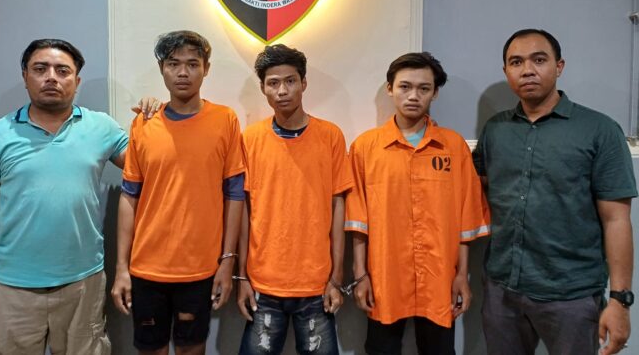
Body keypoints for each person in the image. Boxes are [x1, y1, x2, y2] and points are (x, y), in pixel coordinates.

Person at [0, 38, 128, 354]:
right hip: (13, 289)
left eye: (63, 71)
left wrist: (159, 115)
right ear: (25, 76)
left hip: (82, 285)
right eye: (40, 69)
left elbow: (150, 165)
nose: (51, 78)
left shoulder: (102, 127)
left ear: (77, 81)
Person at [473, 28, 637, 355]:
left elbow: (617, 220)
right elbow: (474, 189)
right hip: (502, 289)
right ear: (506, 71)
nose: (527, 70)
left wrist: (620, 301)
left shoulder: (599, 130)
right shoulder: (496, 130)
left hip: (571, 295)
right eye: (516, 62)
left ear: (559, 66)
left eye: (539, 60)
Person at [345, 52, 490, 355]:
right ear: (390, 89)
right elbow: (358, 221)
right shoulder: (365, 148)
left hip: (440, 279)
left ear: (434, 93)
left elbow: (465, 219)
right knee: (381, 350)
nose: (413, 96)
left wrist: (462, 275)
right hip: (384, 277)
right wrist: (360, 275)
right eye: (405, 87)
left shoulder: (453, 147)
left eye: (424, 88)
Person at [111, 30, 246, 355]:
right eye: (173, 64)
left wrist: (228, 262)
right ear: (162, 69)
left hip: (200, 268)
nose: (183, 72)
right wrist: (121, 268)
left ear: (206, 69)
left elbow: (235, 194)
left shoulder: (224, 120)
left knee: (192, 349)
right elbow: (129, 196)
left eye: (192, 64)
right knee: (150, 349)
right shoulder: (144, 123)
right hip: (146, 267)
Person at [236, 44, 352, 355]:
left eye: (290, 81)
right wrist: (242, 276)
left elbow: (338, 206)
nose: (282, 91)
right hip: (263, 283)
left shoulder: (330, 136)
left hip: (316, 284)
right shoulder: (250, 139)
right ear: (263, 88)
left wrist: (336, 277)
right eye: (273, 83)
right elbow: (244, 211)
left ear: (304, 83)